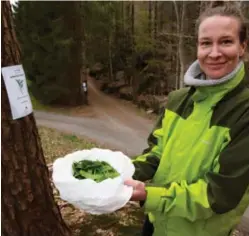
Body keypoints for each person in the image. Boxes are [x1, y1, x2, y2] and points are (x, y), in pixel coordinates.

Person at [124, 2, 249, 236]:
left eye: (226, 41)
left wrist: (148, 195)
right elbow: (156, 153)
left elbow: (218, 194)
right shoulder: (178, 99)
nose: (214, 53)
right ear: (197, 48)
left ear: (242, 46)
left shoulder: (244, 111)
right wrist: (122, 173)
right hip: (156, 223)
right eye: (205, 43)